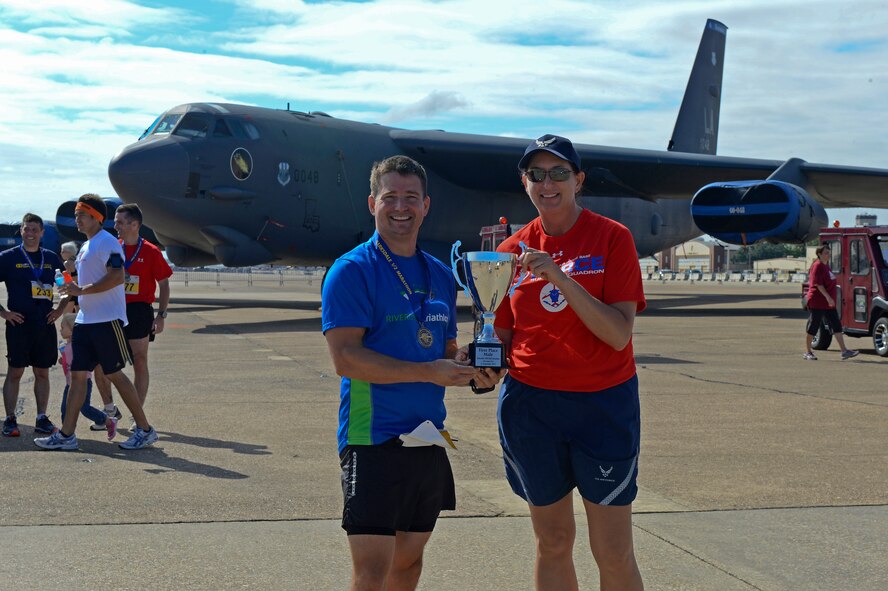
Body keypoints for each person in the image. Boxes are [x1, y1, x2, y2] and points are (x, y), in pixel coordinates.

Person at [321, 155, 503, 591]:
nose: (400, 207)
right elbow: (346, 359)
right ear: (372, 203)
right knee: (372, 571)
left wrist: (469, 364)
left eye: (410, 197)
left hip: (427, 436)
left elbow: (444, 349)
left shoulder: (440, 275)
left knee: (408, 565)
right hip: (371, 436)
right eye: (390, 197)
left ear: (426, 205)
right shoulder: (352, 271)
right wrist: (428, 372)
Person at [493, 135, 647, 590]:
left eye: (559, 173)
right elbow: (501, 337)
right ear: (524, 183)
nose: (548, 184)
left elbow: (618, 334)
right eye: (536, 175)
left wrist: (559, 276)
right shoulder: (510, 252)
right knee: (553, 541)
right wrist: (477, 362)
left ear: (578, 180)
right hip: (531, 408)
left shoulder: (613, 238)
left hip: (602, 405)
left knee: (613, 550)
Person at [34, 193, 158, 451]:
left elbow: (117, 276)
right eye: (76, 215)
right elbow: (86, 282)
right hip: (85, 321)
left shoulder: (108, 243)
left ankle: (145, 430)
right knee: (77, 377)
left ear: (96, 217)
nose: (77, 219)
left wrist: (81, 290)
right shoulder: (86, 246)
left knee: (114, 374)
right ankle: (67, 435)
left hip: (106, 321)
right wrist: (70, 287)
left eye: (82, 215)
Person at [95, 203, 171, 429]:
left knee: (140, 360)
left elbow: (164, 285)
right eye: (115, 222)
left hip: (139, 310)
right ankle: (110, 410)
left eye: (120, 222)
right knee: (103, 362)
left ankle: (137, 414)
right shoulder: (113, 248)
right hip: (113, 309)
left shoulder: (151, 251)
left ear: (135, 224)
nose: (115, 226)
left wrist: (161, 315)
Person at [0, 213, 67, 438]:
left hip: (44, 324)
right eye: (26, 229)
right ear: (21, 231)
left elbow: (68, 287)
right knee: (15, 371)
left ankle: (41, 418)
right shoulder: (8, 257)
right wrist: (4, 313)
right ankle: (10, 419)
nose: (30, 233)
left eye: (34, 230)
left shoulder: (51, 258)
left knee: (42, 372)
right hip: (19, 324)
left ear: (42, 233)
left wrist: (60, 310)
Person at [62, 240, 123, 426]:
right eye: (63, 255)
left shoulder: (103, 249)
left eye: (69, 256)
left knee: (107, 372)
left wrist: (74, 282)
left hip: (93, 321)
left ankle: (114, 414)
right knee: (89, 374)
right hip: (82, 322)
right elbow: (69, 295)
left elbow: (114, 277)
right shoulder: (73, 270)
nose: (65, 259)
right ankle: (108, 411)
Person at [58, 313, 117, 439]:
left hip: (83, 382)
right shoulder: (67, 346)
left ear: (72, 329)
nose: (60, 330)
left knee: (84, 408)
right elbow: (69, 362)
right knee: (65, 408)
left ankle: (107, 421)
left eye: (63, 327)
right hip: (69, 383)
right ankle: (65, 433)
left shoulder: (78, 346)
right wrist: (63, 360)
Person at [804, 244, 858, 360]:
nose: (828, 255)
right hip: (818, 301)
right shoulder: (817, 266)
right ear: (819, 254)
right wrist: (828, 297)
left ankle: (844, 351)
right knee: (814, 325)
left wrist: (830, 299)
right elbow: (818, 284)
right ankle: (808, 352)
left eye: (829, 253)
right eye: (826, 253)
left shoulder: (826, 266)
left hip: (828, 303)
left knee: (836, 325)